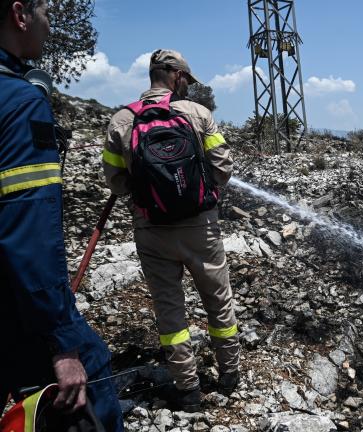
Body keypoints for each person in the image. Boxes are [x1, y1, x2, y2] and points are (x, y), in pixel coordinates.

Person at [0, 0, 123, 430]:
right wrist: (62, 342)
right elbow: (28, 229)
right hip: (16, 309)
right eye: (46, 14)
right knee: (91, 382)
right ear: (20, 15)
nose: (49, 27)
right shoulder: (20, 102)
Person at [103, 49, 239, 412]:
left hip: (152, 229)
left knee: (170, 310)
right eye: (185, 80)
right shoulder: (198, 114)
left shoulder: (121, 121)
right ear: (175, 75)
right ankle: (229, 375)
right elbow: (223, 167)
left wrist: (148, 196)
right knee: (218, 300)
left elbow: (115, 182)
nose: (187, 86)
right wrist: (196, 191)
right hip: (200, 226)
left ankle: (188, 389)